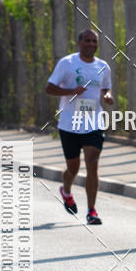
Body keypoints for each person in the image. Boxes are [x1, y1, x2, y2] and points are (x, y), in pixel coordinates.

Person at [45, 29, 114, 225]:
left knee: (92, 162)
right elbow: (49, 88)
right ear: (79, 42)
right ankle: (66, 190)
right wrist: (71, 91)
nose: (91, 44)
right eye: (88, 41)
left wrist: (107, 95)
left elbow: (105, 86)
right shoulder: (67, 63)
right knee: (73, 168)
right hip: (69, 124)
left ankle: (92, 211)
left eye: (95, 41)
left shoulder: (103, 66)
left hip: (93, 122)